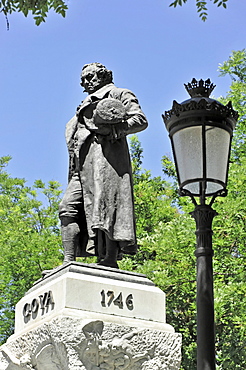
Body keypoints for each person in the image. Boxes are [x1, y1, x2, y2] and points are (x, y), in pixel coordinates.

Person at [59, 63, 148, 268]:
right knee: (67, 208)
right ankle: (68, 262)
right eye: (82, 79)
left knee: (106, 206)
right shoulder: (82, 105)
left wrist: (114, 130)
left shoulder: (118, 93)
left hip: (105, 162)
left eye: (89, 76)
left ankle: (109, 259)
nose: (85, 82)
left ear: (103, 75)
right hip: (81, 168)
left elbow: (140, 119)